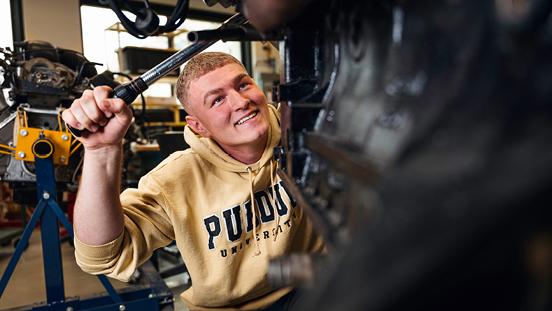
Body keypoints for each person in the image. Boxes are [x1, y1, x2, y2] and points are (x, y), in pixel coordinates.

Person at [61, 51, 325, 310]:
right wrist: (102, 151)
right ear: (198, 126)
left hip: (308, 284)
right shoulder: (175, 179)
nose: (241, 101)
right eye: (217, 100)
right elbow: (101, 258)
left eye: (243, 84)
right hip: (229, 306)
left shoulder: (305, 127)